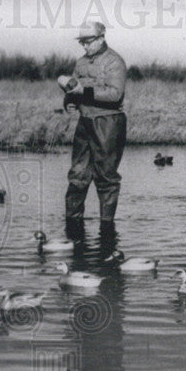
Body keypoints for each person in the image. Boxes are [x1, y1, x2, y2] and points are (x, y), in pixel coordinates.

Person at [60, 20, 127, 239]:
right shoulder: (80, 64)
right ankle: (72, 229)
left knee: (106, 178)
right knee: (77, 176)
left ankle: (107, 232)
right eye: (82, 42)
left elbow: (115, 94)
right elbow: (73, 92)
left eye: (88, 42)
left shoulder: (115, 62)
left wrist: (83, 92)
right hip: (85, 123)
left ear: (101, 38)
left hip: (108, 124)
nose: (85, 46)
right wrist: (70, 102)